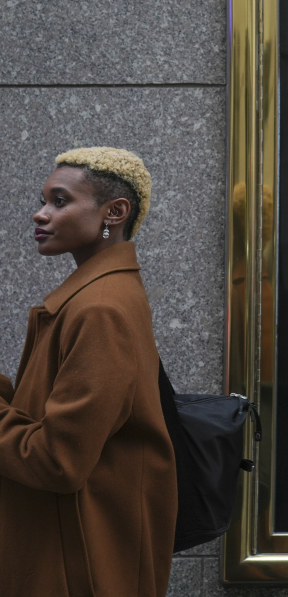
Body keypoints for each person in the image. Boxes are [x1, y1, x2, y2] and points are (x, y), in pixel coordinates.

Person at [0, 147, 176, 596]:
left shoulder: (99, 309)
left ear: (114, 213)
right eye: (43, 201)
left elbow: (58, 460)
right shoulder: (97, 297)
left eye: (59, 201)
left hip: (79, 562)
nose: (40, 215)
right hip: (76, 548)